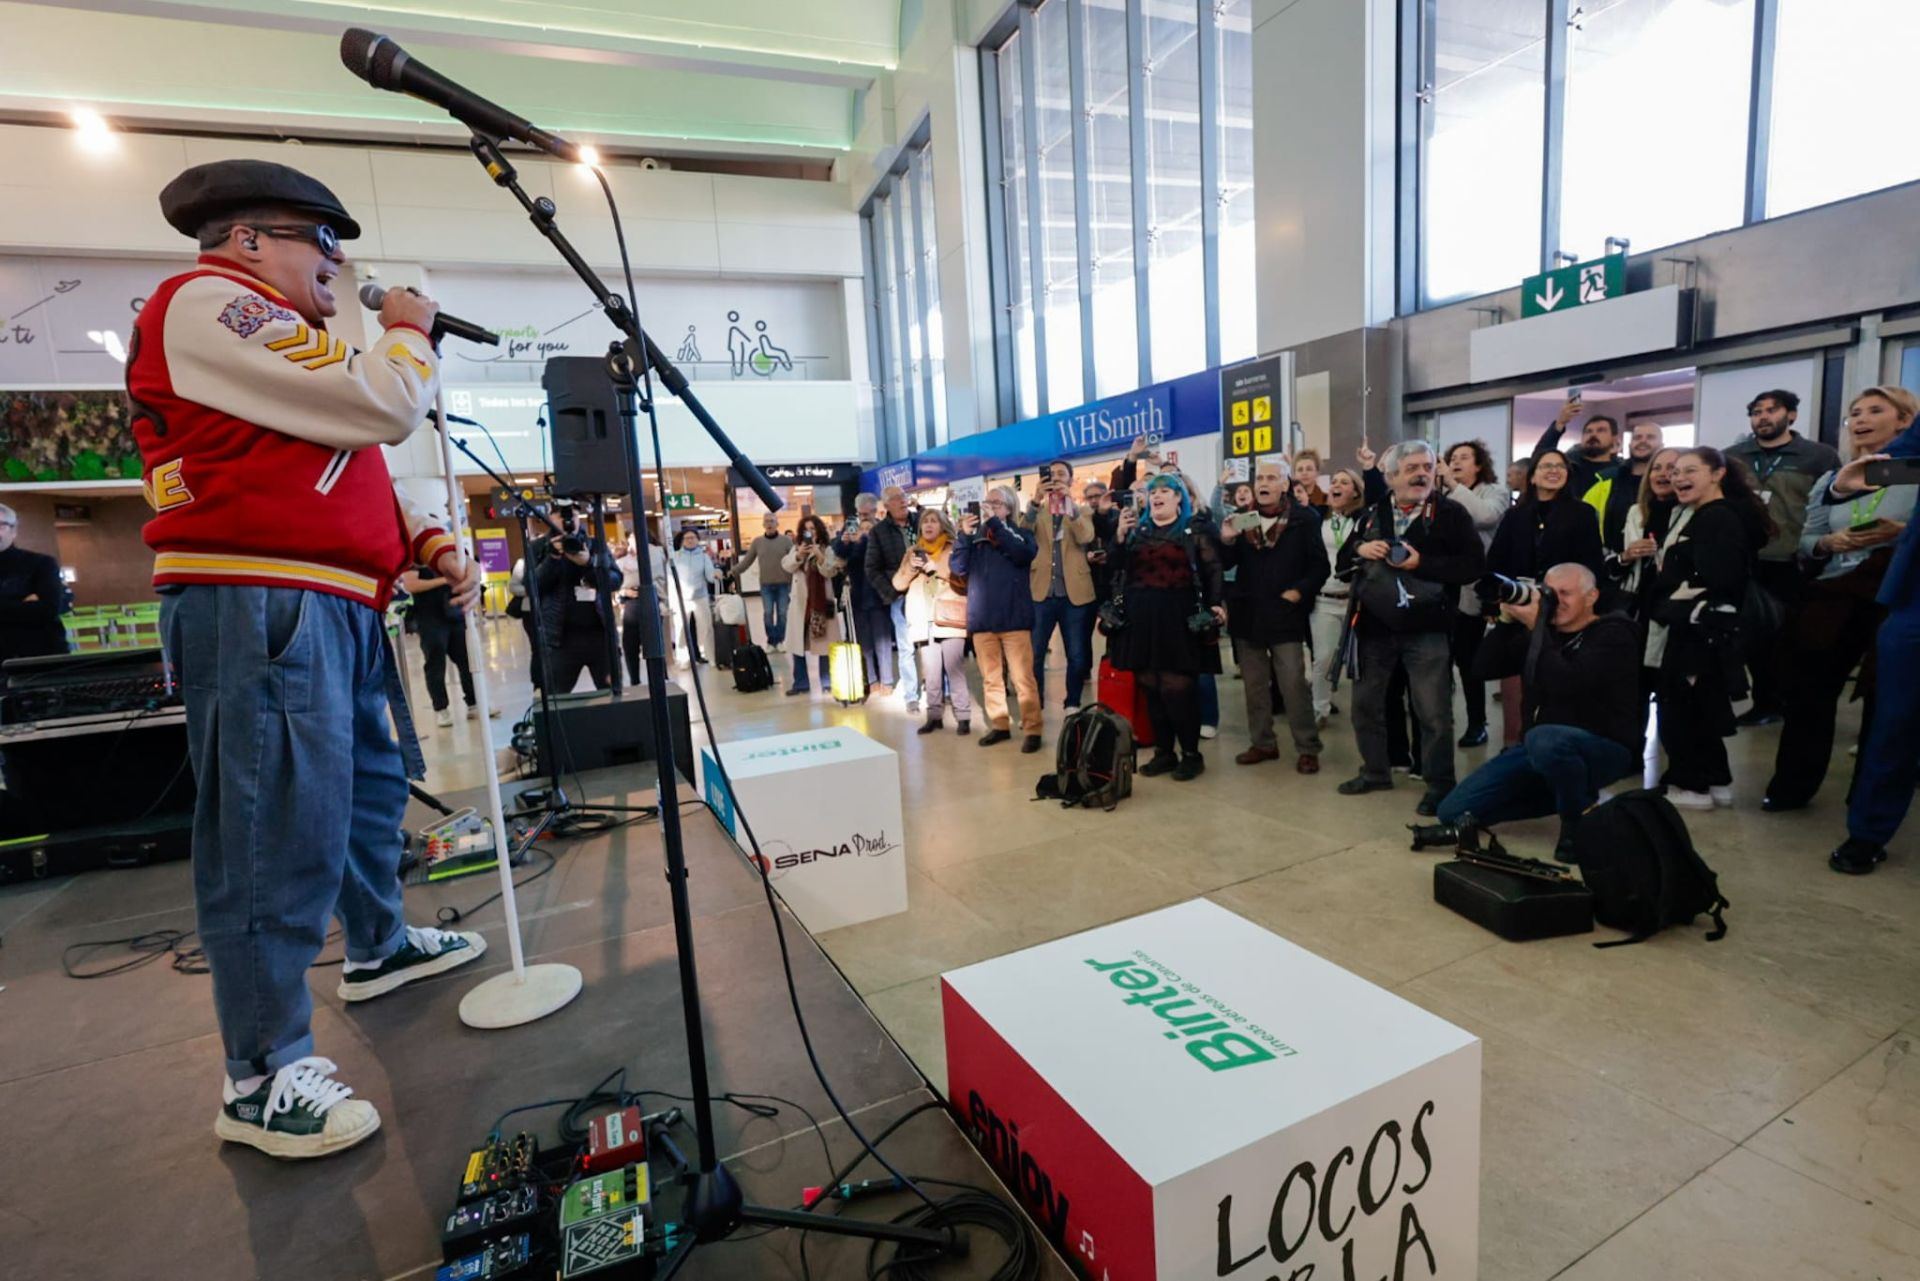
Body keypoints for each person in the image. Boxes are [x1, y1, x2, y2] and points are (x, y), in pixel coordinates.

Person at [136, 159, 486, 1157]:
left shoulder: (289, 350)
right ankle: (260, 1072)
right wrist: (408, 329)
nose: (340, 267)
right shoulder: (209, 303)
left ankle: (375, 945)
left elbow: (351, 462)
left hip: (326, 603)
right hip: (258, 597)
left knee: (368, 791)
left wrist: (426, 539)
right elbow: (384, 404)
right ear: (248, 238)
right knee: (273, 826)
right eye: (322, 241)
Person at [1765, 387, 1916, 814]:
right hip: (1835, 592)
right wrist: (1830, 541)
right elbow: (1807, 540)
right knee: (1808, 693)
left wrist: (1903, 535)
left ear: (1905, 421)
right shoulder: (1834, 479)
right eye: (1854, 413)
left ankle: (1867, 803)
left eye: (1875, 410)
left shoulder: (1912, 470)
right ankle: (1792, 786)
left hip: (1894, 594)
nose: (1861, 419)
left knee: (1884, 705)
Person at [1440, 564, 1644, 860]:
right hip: (1539, 750)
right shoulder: (1540, 634)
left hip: (1603, 747)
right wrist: (1507, 622)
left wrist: (1537, 628)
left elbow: (1567, 681)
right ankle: (1571, 798)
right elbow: (1482, 668)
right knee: (1453, 812)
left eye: (1566, 593)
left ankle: (1576, 822)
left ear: (1592, 596)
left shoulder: (1614, 635)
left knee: (1544, 737)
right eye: (1550, 593)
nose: (1555, 600)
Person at [1336, 440, 1485, 814]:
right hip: (1374, 626)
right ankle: (1374, 771)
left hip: (1428, 627)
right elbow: (1341, 562)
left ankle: (1439, 784)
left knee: (1433, 711)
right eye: (1413, 468)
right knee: (1365, 706)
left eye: (1428, 467)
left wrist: (1423, 563)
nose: (1422, 474)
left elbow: (1472, 566)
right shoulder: (1370, 514)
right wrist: (1359, 550)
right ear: (1391, 476)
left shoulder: (1451, 514)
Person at [1645, 446, 1770, 810]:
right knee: (1701, 706)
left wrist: (1677, 597)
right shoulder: (1703, 514)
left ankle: (1692, 785)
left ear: (1717, 474)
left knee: (1682, 708)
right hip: (1702, 628)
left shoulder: (1716, 517)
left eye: (1690, 471)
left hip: (1699, 630)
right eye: (1675, 471)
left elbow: (1719, 577)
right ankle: (1716, 780)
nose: (1677, 477)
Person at [1824, 405, 1920, 872]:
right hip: (1916, 600)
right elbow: (1897, 464)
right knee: (1896, 721)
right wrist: (1843, 484)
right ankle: (1867, 832)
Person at [1725, 389, 1841, 727]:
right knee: (1754, 636)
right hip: (1746, 559)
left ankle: (1794, 702)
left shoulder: (1818, 456)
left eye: (1771, 410)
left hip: (1796, 561)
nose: (1763, 417)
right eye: (1756, 411)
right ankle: (1765, 702)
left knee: (1793, 636)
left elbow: (1832, 505)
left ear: (1790, 415)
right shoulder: (1732, 457)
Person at [1109, 474, 1226, 779]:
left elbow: (1214, 568)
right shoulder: (1137, 531)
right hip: (1140, 616)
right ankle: (1164, 752)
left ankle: (1191, 754)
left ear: (1178, 498)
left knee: (1179, 688)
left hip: (1178, 617)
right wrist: (1120, 535)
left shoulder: (1194, 529)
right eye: (1153, 492)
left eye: (1164, 491)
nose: (1157, 496)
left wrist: (1215, 604)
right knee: (1150, 687)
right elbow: (1115, 566)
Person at [1484, 449, 1606, 743]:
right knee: (1516, 682)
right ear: (1533, 476)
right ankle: (1514, 744)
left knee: (1558, 682)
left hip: (1566, 610)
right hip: (1520, 607)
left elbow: (1593, 565)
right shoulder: (1515, 515)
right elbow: (1496, 561)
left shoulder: (1583, 513)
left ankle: (1557, 743)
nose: (1554, 470)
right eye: (1546, 466)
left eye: (1560, 466)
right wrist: (1493, 601)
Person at [1221, 468, 1329, 772]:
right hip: (1248, 613)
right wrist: (1227, 541)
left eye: (1271, 479)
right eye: (1259, 480)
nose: (1263, 484)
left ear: (1285, 485)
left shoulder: (1303, 518)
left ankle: (1308, 747)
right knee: (1254, 686)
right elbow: (1228, 563)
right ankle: (1263, 743)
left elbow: (1319, 566)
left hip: (1285, 613)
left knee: (1293, 683)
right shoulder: (1243, 517)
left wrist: (1298, 592)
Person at [953, 487, 1042, 751]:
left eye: (995, 503)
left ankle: (1033, 729)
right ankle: (1000, 725)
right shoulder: (975, 538)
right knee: (990, 678)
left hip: (1014, 617)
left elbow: (1023, 553)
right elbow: (958, 568)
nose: (988, 507)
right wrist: (964, 536)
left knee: (1022, 677)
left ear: (1009, 507)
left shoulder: (1021, 533)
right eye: (986, 503)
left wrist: (994, 523)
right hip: (983, 619)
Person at [1437, 440, 1509, 746]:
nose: (1456, 462)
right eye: (1452, 458)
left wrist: (1453, 485)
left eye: (1464, 458)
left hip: (1475, 589)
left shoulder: (1494, 492)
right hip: (1442, 588)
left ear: (1479, 465)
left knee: (1468, 660)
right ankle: (1441, 714)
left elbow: (1485, 517)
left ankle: (1477, 722)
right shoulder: (1439, 496)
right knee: (1440, 657)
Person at [1023, 459, 1097, 710]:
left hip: (1074, 595)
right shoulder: (1036, 511)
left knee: (1077, 656)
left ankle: (1072, 703)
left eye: (1061, 474)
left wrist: (1070, 507)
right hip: (1041, 593)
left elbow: (1086, 536)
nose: (1055, 478)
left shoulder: (1082, 510)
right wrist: (1035, 501)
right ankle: (1036, 705)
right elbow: (1022, 535)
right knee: (1034, 655)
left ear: (1070, 480)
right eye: (1051, 474)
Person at [893, 508, 971, 734]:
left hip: (950, 617)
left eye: (933, 521)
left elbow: (964, 580)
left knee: (954, 669)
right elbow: (898, 584)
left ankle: (963, 716)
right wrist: (911, 568)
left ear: (942, 525)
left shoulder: (954, 547)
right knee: (931, 672)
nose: (928, 525)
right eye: (925, 521)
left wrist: (938, 570)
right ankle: (934, 716)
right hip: (922, 619)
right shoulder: (913, 551)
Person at [399, 558, 494, 727]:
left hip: (454, 614)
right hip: (430, 620)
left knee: (467, 660)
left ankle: (474, 703)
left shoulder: (448, 557)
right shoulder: (415, 561)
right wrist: (443, 580)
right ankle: (441, 708)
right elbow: (410, 584)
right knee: (435, 664)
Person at [1309, 469, 1366, 726]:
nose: (1337, 485)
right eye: (1334, 481)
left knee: (1362, 662)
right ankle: (1319, 708)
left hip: (1356, 601)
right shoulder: (1317, 519)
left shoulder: (1364, 520)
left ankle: (1365, 713)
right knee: (1323, 659)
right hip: (1324, 599)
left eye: (1345, 482)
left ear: (1355, 492)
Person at [538, 518, 621, 692]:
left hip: (601, 635)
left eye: (572, 513)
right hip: (560, 638)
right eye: (560, 514)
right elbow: (531, 586)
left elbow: (615, 581)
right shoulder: (540, 547)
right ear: (550, 516)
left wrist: (589, 563)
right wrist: (552, 557)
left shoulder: (596, 544)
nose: (566, 519)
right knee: (557, 699)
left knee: (613, 693)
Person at [866, 485, 923, 712]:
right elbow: (871, 568)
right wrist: (890, 592)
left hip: (927, 591)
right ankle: (911, 695)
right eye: (897, 498)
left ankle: (942, 689)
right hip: (900, 596)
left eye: (904, 497)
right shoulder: (879, 532)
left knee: (932, 644)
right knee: (906, 647)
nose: (903, 501)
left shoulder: (921, 521)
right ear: (886, 505)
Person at [833, 493, 897, 692]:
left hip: (879, 593)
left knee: (883, 641)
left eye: (866, 513)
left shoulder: (882, 529)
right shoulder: (851, 527)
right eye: (860, 513)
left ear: (875, 511)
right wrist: (844, 541)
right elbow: (839, 553)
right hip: (857, 593)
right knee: (864, 642)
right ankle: (871, 680)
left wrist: (862, 541)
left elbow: (882, 555)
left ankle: (886, 680)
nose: (863, 517)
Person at [1615, 448, 1681, 621]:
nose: (1662, 474)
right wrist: (1627, 556)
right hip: (1637, 602)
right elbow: (1612, 565)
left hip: (1674, 603)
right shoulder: (1636, 512)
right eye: (1656, 468)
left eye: (1671, 468)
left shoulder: (1692, 512)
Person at [1583, 420, 1666, 556]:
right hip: (1611, 563)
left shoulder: (1668, 484)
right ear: (1630, 444)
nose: (1642, 441)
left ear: (1662, 445)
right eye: (1637, 437)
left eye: (1650, 437)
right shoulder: (1606, 480)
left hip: (1656, 561)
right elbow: (1584, 523)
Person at [780, 515, 842, 696]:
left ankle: (826, 681)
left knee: (823, 643)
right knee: (797, 644)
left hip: (821, 604)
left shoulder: (827, 549)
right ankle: (801, 683)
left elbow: (830, 571)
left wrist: (820, 556)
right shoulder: (796, 549)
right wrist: (799, 554)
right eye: (807, 530)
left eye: (813, 529)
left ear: (819, 530)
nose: (811, 533)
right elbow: (786, 566)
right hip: (800, 605)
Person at [0, 502, 69, 661]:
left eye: (1, 525)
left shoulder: (41, 564)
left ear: (14, 531)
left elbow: (49, 609)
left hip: (40, 657)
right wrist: (23, 605)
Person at [615, 527, 669, 687]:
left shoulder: (655, 553)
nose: (634, 541)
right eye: (631, 538)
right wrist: (623, 590)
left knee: (653, 644)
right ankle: (635, 680)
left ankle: (660, 679)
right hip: (631, 603)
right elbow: (617, 584)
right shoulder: (622, 560)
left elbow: (651, 574)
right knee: (630, 644)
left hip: (652, 600)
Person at [1532, 401, 1620, 498]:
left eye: (1601, 430)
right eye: (1588, 431)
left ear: (1614, 439)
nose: (1593, 435)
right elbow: (1539, 457)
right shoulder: (1569, 466)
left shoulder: (1620, 472)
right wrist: (1560, 423)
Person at [666, 527, 717, 668]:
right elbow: (670, 580)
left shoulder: (704, 556)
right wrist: (671, 602)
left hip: (700, 597)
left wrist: (715, 574)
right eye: (687, 538)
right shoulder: (675, 557)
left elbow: (709, 576)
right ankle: (683, 659)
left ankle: (711, 657)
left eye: (693, 538)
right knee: (681, 629)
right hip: (681, 599)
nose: (690, 540)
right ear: (682, 541)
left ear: (697, 540)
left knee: (706, 628)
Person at [744, 513, 795, 653]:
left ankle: (780, 640)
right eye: (766, 521)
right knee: (767, 613)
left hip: (784, 583)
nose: (769, 523)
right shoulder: (757, 542)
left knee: (782, 613)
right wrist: (734, 571)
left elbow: (794, 559)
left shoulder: (786, 541)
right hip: (766, 584)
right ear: (763, 524)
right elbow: (747, 560)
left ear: (777, 523)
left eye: (772, 521)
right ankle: (771, 641)